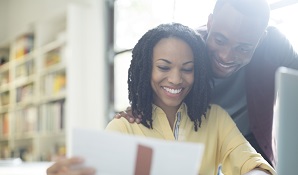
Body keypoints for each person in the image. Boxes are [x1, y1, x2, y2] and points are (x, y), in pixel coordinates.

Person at [47, 23, 276, 175]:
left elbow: (249, 161)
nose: (176, 79)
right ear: (146, 69)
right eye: (163, 67)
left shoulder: (214, 118)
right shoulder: (124, 127)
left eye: (188, 69)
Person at [115, 0, 298, 167]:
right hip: (199, 139)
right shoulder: (187, 49)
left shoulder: (275, 46)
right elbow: (158, 84)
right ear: (210, 23)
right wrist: (143, 105)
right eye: (220, 40)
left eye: (243, 48)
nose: (226, 56)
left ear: (261, 39)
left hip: (252, 139)